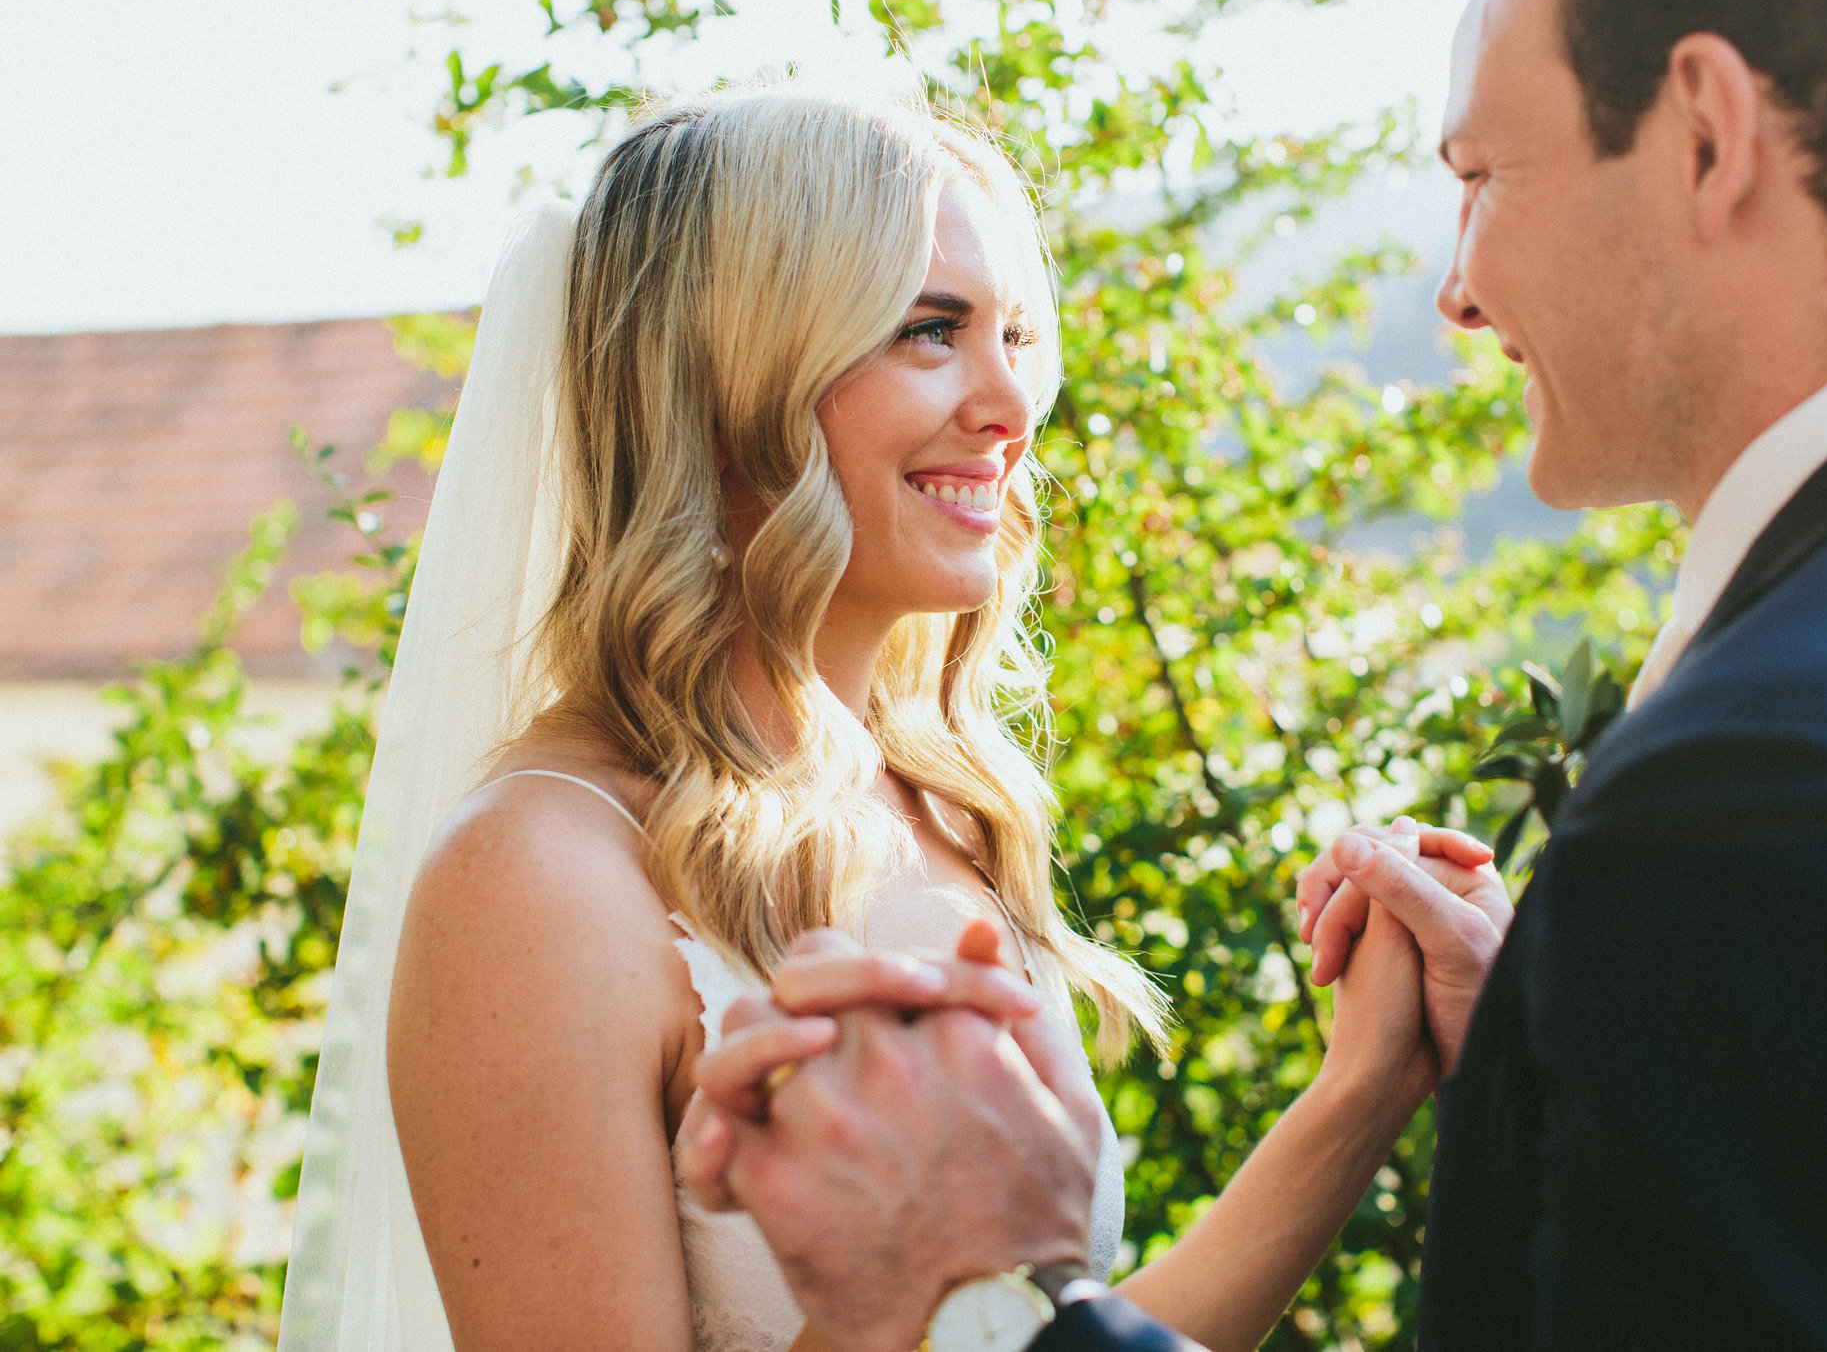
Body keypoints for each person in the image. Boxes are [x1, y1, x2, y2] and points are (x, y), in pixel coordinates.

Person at [680, 0, 1827, 1348]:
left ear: (1706, 133)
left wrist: (990, 1290)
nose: (1455, 289)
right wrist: (1560, 1036)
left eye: (1481, 178)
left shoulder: (1779, 783)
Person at [278, 81, 1509, 1352]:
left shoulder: (934, 808)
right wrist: (889, 1301)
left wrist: (1366, 1086)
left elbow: (1027, 1340)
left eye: (1013, 336)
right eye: (929, 329)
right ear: (727, 374)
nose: (1012, 403)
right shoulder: (539, 875)